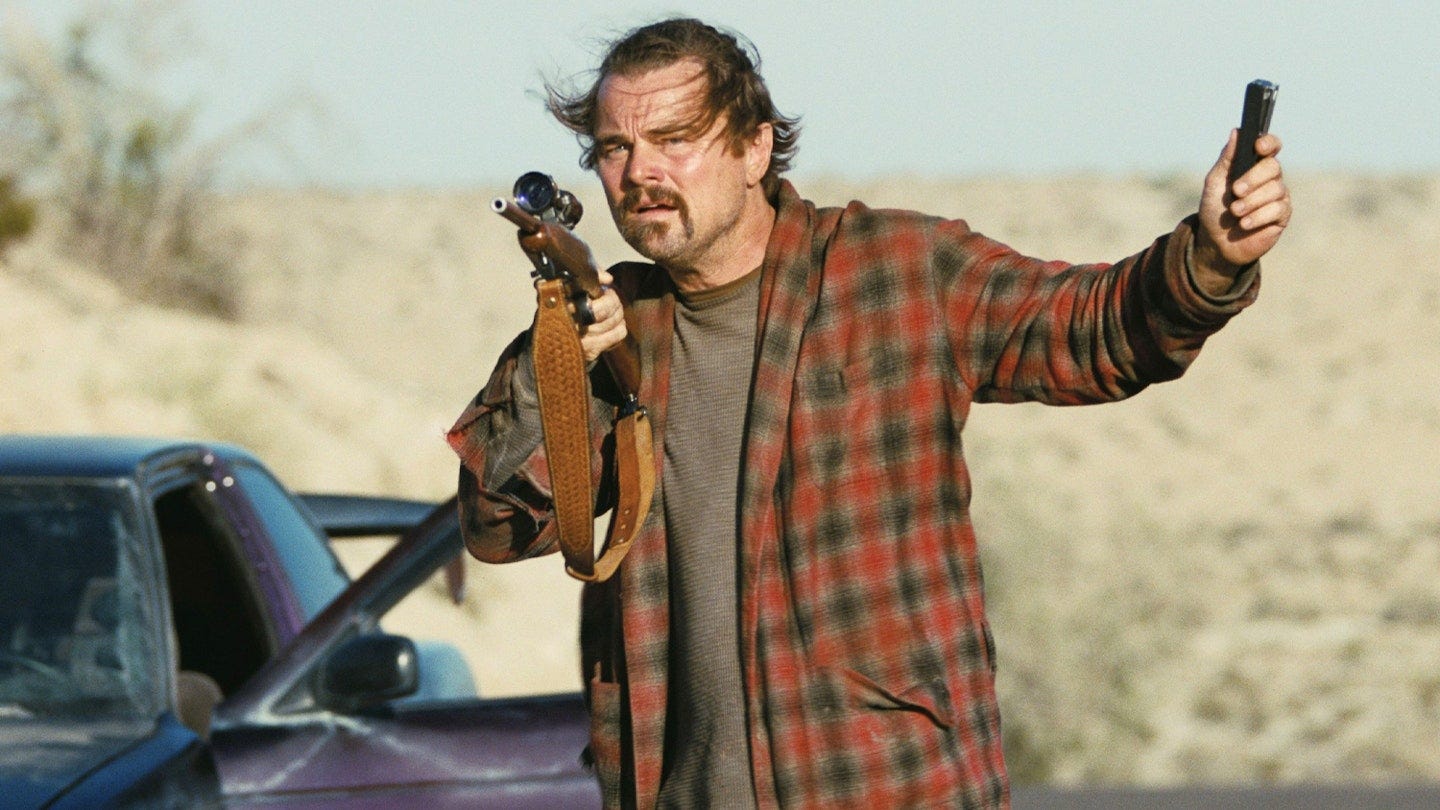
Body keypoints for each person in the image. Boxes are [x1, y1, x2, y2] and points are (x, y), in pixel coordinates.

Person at [447, 17, 1290, 809]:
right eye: (616, 148)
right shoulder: (615, 329)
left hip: (882, 784)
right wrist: (554, 358)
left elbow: (1095, 330)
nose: (641, 173)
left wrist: (1209, 259)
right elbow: (497, 525)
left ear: (754, 146)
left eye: (675, 139)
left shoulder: (896, 269)